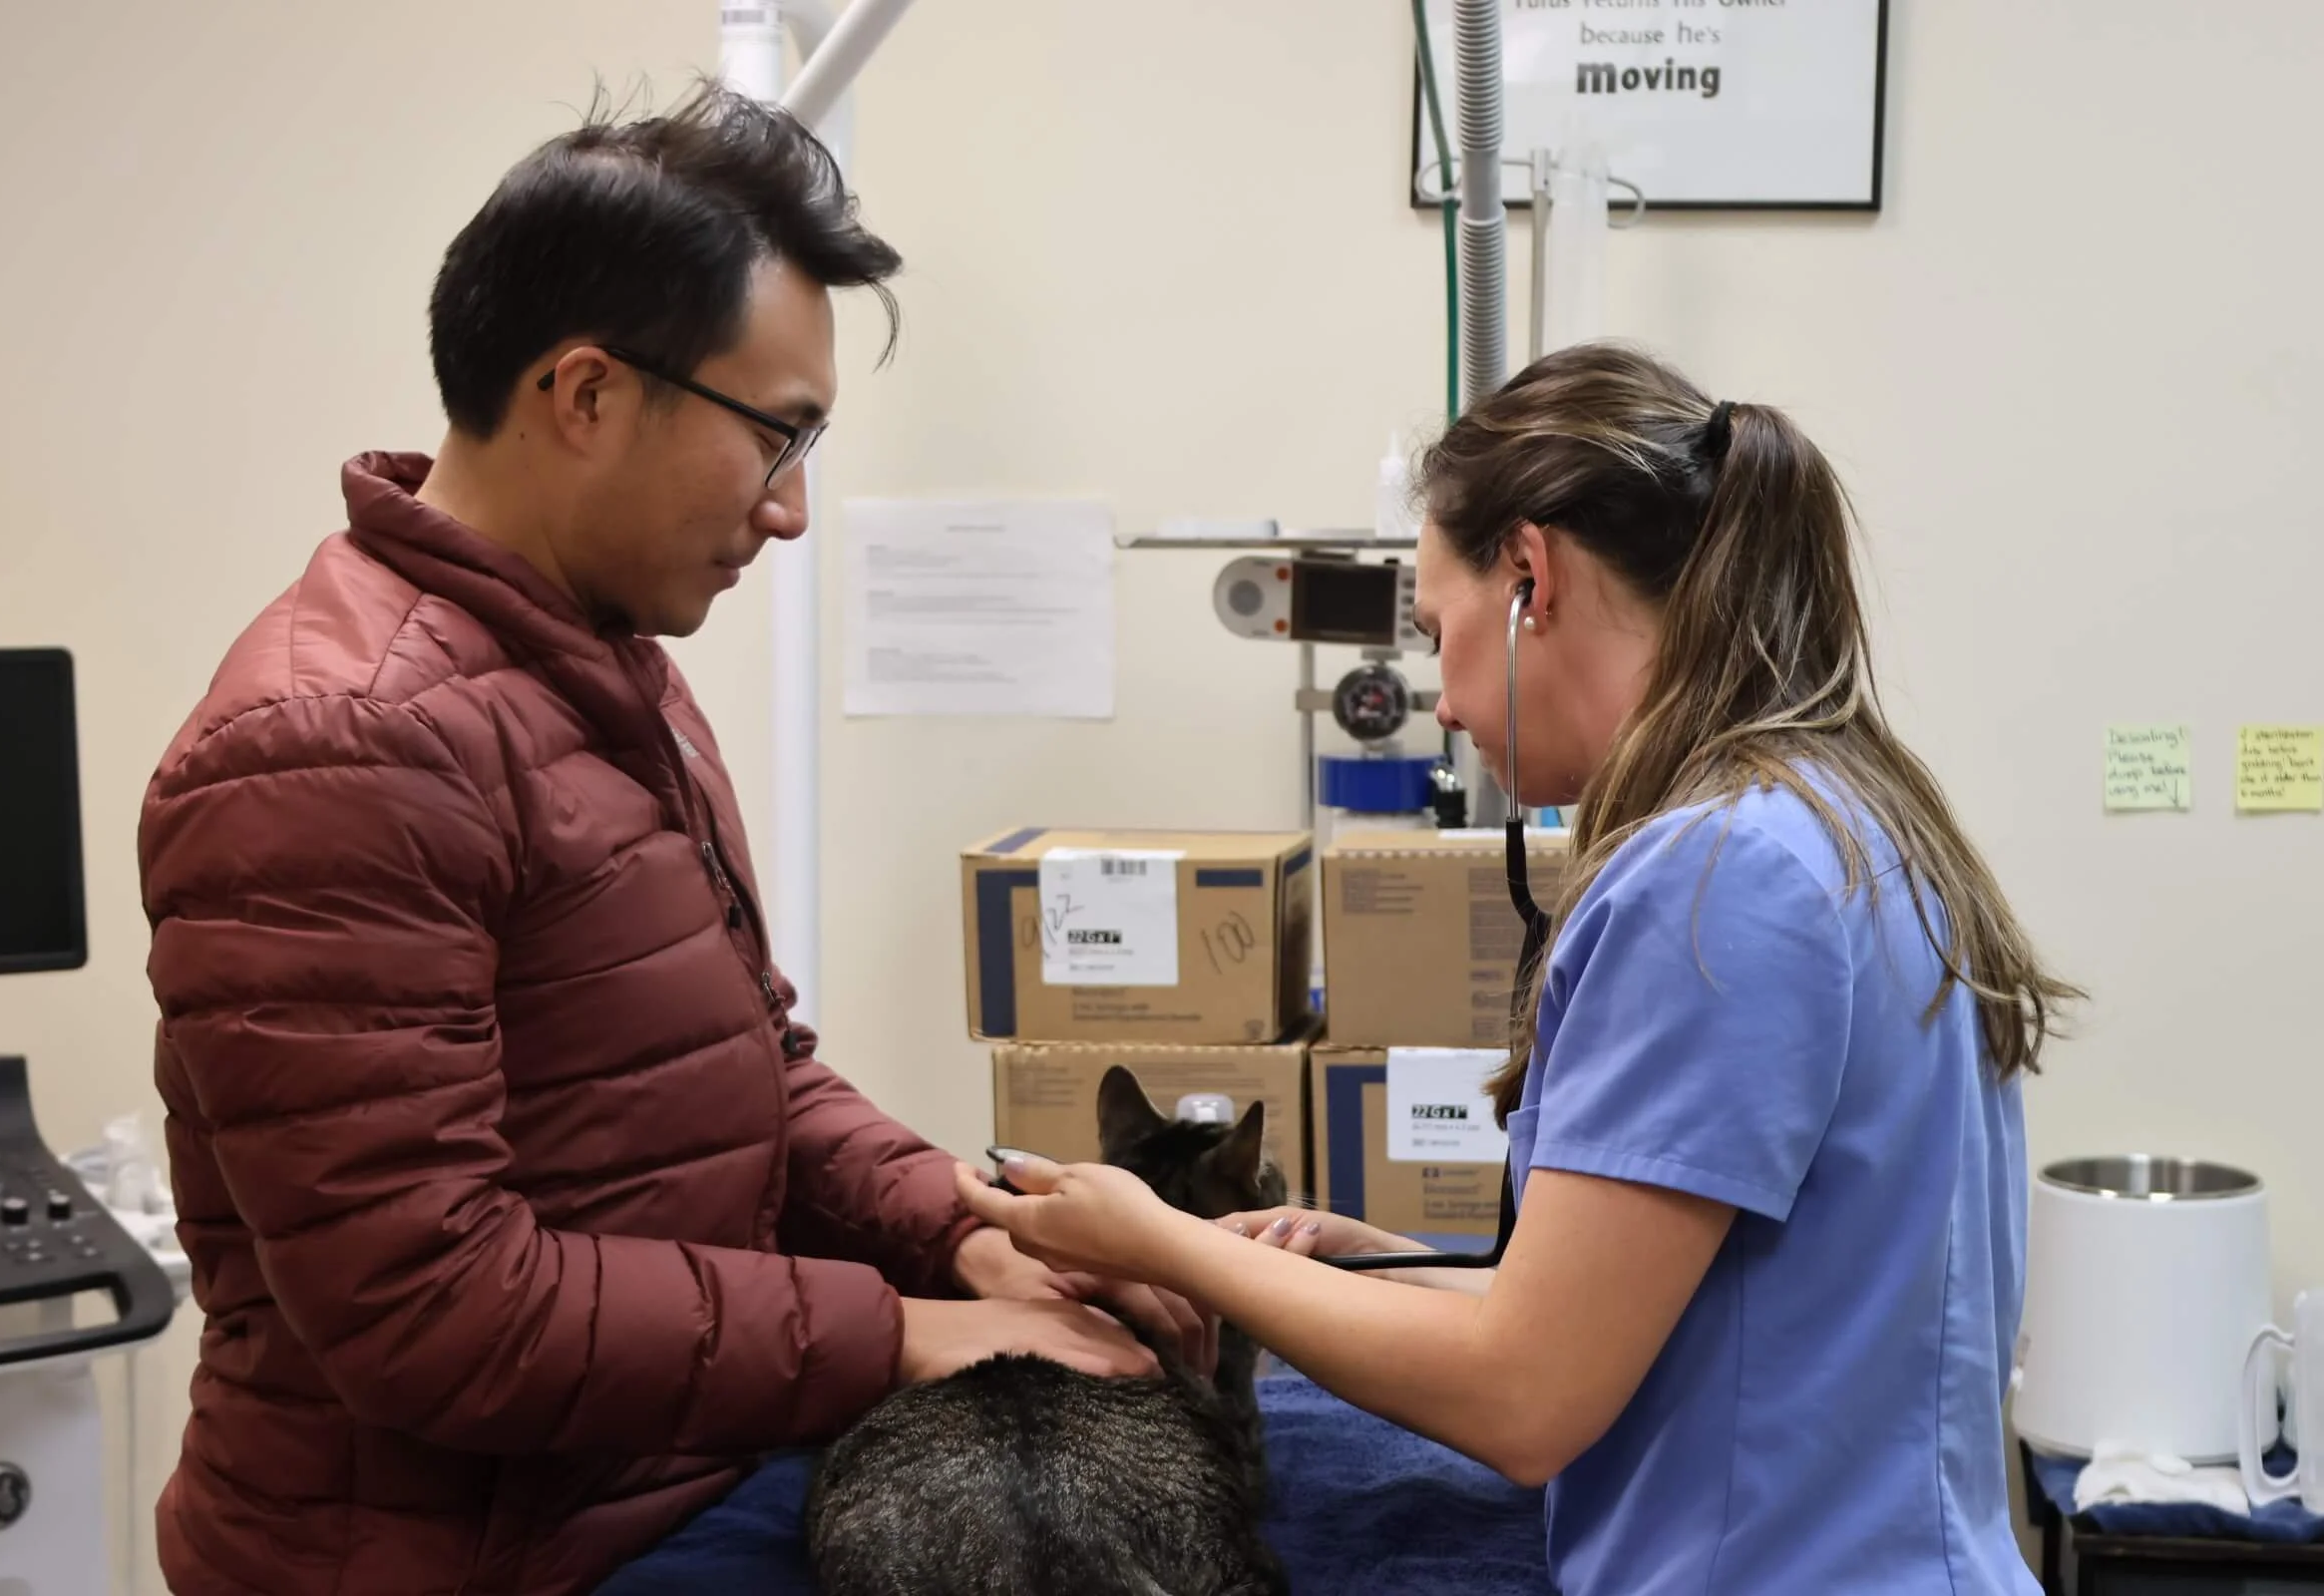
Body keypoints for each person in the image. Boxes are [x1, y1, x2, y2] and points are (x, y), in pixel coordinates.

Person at [136, 82, 1205, 1596]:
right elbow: (435, 1309)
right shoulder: (339, 745)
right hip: (493, 1555)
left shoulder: (596, 663)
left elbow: (749, 1065)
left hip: (661, 1474)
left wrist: (961, 1230)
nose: (793, 513)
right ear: (585, 393)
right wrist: (899, 1329)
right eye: (778, 437)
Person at [957, 342, 2078, 1595]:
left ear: (1530, 577)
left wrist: (1169, 1241)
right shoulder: (1844, 822)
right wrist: (1366, 1258)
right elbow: (1692, 1311)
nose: (1440, 701)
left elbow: (1527, 1397)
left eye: (1438, 632)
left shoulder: (1715, 884)